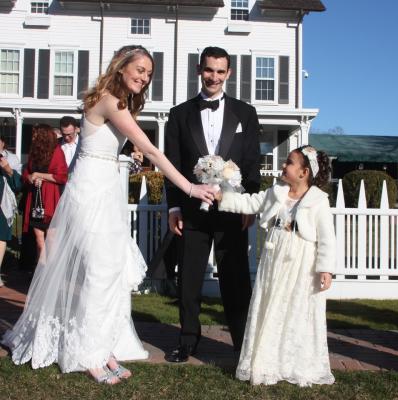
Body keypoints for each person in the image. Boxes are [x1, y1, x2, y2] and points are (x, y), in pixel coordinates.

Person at [2, 45, 214, 385]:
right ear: (121, 65)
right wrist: (189, 188)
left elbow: (84, 155)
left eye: (149, 73)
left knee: (110, 273)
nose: (144, 78)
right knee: (99, 273)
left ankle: (103, 346)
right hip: (92, 194)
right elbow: (150, 148)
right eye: (140, 69)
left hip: (103, 190)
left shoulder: (116, 102)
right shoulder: (109, 100)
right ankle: (90, 353)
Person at [164, 46, 261, 363]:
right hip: (192, 210)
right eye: (209, 70)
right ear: (199, 70)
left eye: (220, 71)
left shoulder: (246, 113)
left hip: (233, 209)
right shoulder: (179, 115)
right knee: (189, 278)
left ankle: (242, 343)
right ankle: (188, 339)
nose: (214, 77)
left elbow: (252, 164)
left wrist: (248, 204)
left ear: (229, 73)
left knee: (235, 279)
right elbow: (173, 165)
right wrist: (174, 207)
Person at [216, 146, 336, 387]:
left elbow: (327, 237)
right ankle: (267, 360)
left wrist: (325, 268)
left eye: (289, 162)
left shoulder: (318, 201)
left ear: (303, 172)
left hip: (301, 262)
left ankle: (293, 361)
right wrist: (223, 197)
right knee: (271, 302)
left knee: (295, 308)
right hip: (275, 255)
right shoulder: (276, 192)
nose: (283, 165)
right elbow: (251, 202)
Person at [21, 125, 68, 261]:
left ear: (43, 136)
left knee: (52, 240)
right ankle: (40, 273)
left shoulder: (57, 152)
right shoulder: (34, 152)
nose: (33, 137)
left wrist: (39, 175)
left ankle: (51, 277)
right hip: (35, 197)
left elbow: (61, 177)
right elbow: (26, 173)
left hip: (50, 199)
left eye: (36, 134)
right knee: (39, 241)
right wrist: (30, 178)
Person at [0, 136, 22, 288]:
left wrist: (8, 169)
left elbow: (18, 184)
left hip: (3, 201)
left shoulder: (11, 158)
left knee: (1, 235)